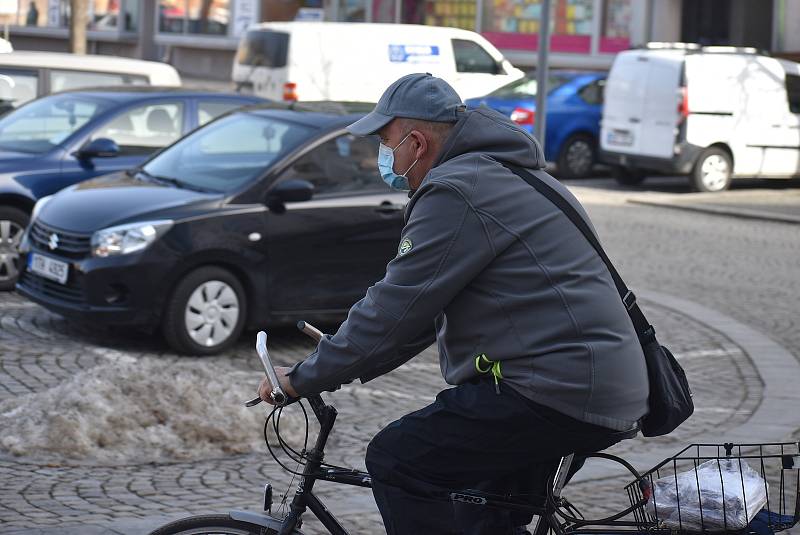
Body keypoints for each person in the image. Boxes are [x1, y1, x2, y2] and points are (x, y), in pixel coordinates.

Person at [258, 73, 649, 535]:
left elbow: (394, 308)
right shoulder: (503, 171)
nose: (382, 156)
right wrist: (337, 365)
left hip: (555, 388)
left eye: (385, 142)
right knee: (482, 518)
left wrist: (302, 378)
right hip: (589, 382)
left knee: (397, 459)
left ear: (417, 142)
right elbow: (417, 318)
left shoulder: (457, 190)